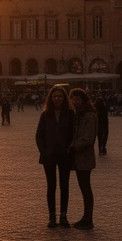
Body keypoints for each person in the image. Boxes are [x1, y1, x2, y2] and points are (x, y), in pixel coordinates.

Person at [35, 86, 75, 228]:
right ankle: (52, 217)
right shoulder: (46, 115)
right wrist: (44, 152)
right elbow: (39, 136)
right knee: (51, 186)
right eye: (54, 96)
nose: (57, 99)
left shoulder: (70, 114)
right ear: (50, 99)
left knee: (64, 186)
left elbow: (74, 133)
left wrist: (69, 147)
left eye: (60, 96)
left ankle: (63, 216)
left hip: (64, 155)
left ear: (64, 98)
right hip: (49, 156)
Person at [69, 89, 98, 229]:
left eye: (77, 99)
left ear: (84, 100)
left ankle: (88, 219)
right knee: (84, 187)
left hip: (84, 157)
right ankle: (86, 217)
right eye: (73, 99)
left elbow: (88, 138)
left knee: (86, 188)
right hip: (79, 157)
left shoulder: (89, 115)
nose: (75, 102)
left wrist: (73, 146)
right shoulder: (78, 115)